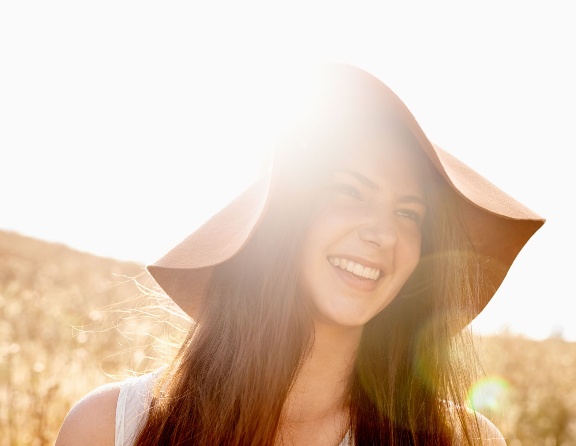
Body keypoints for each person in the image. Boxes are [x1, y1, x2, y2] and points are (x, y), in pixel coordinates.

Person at [56, 63, 544, 445]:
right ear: (284, 216)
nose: (382, 233)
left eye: (409, 215)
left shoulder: (462, 440)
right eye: (350, 192)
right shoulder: (111, 429)